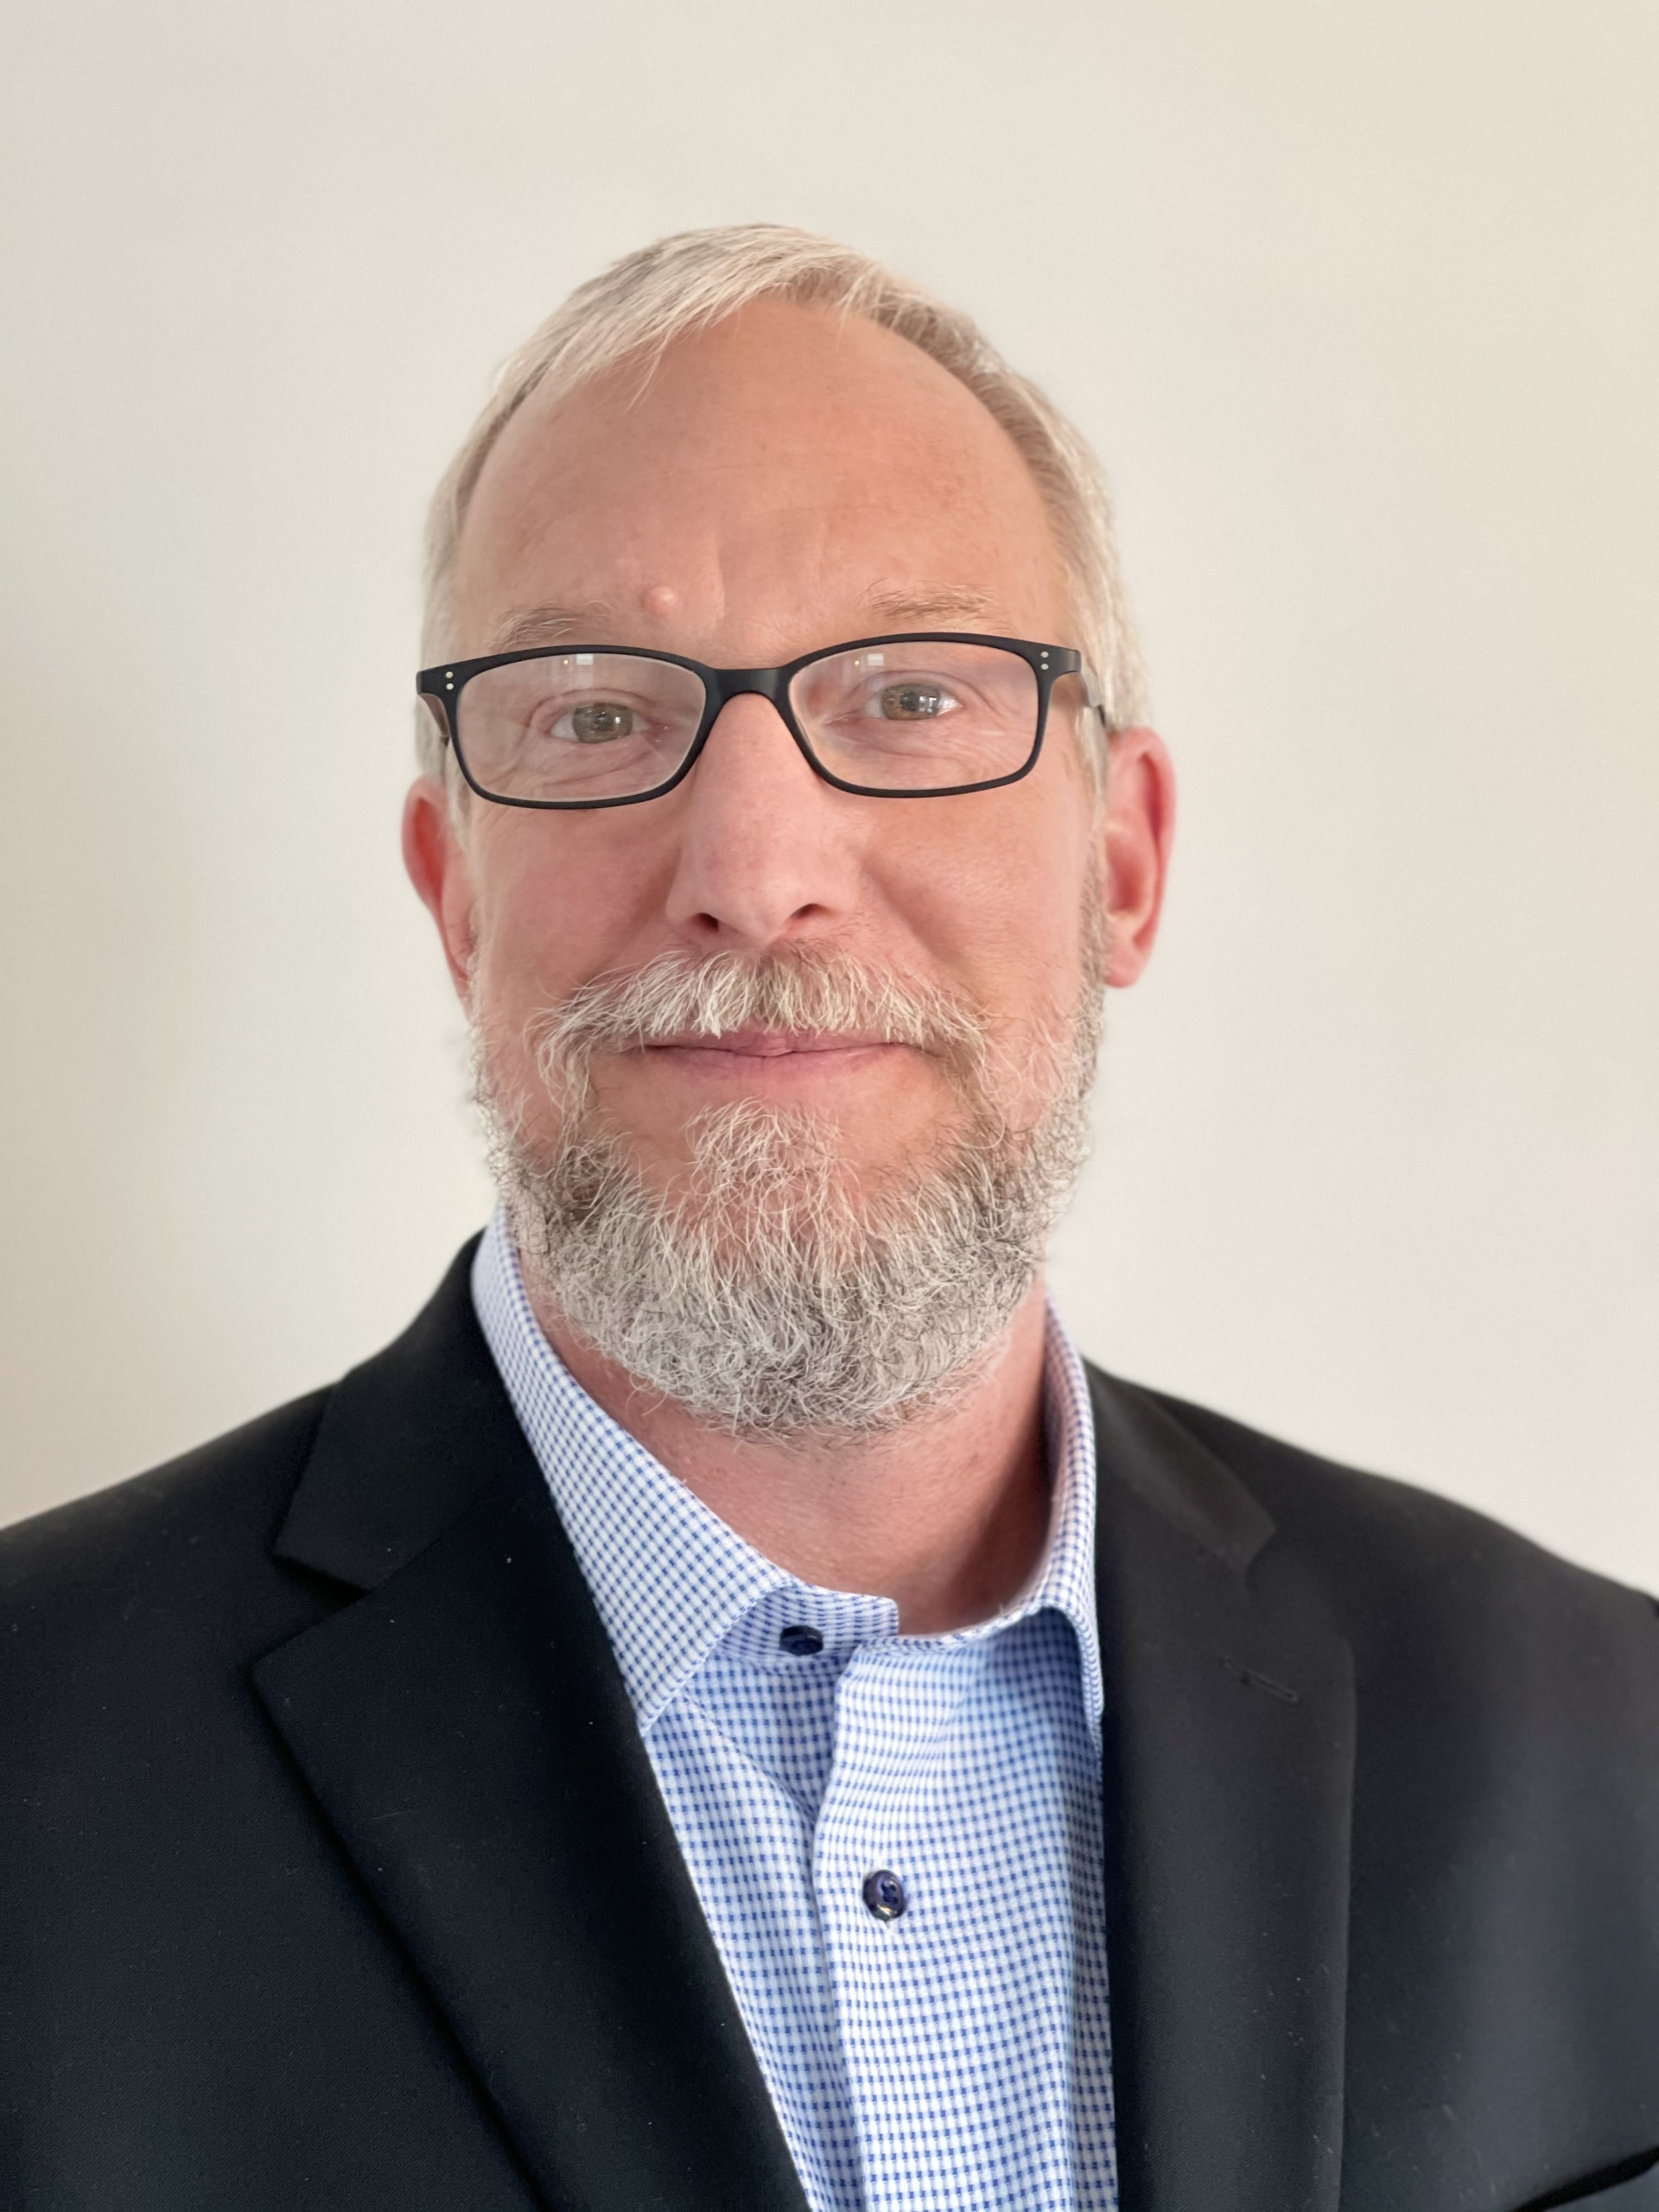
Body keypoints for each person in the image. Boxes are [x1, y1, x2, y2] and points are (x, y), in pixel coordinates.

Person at [2, 225, 1655, 2212]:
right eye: (596, 711)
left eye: (911, 693)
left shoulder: (1610, 1747)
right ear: (455, 893)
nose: (757, 866)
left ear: (1120, 863)